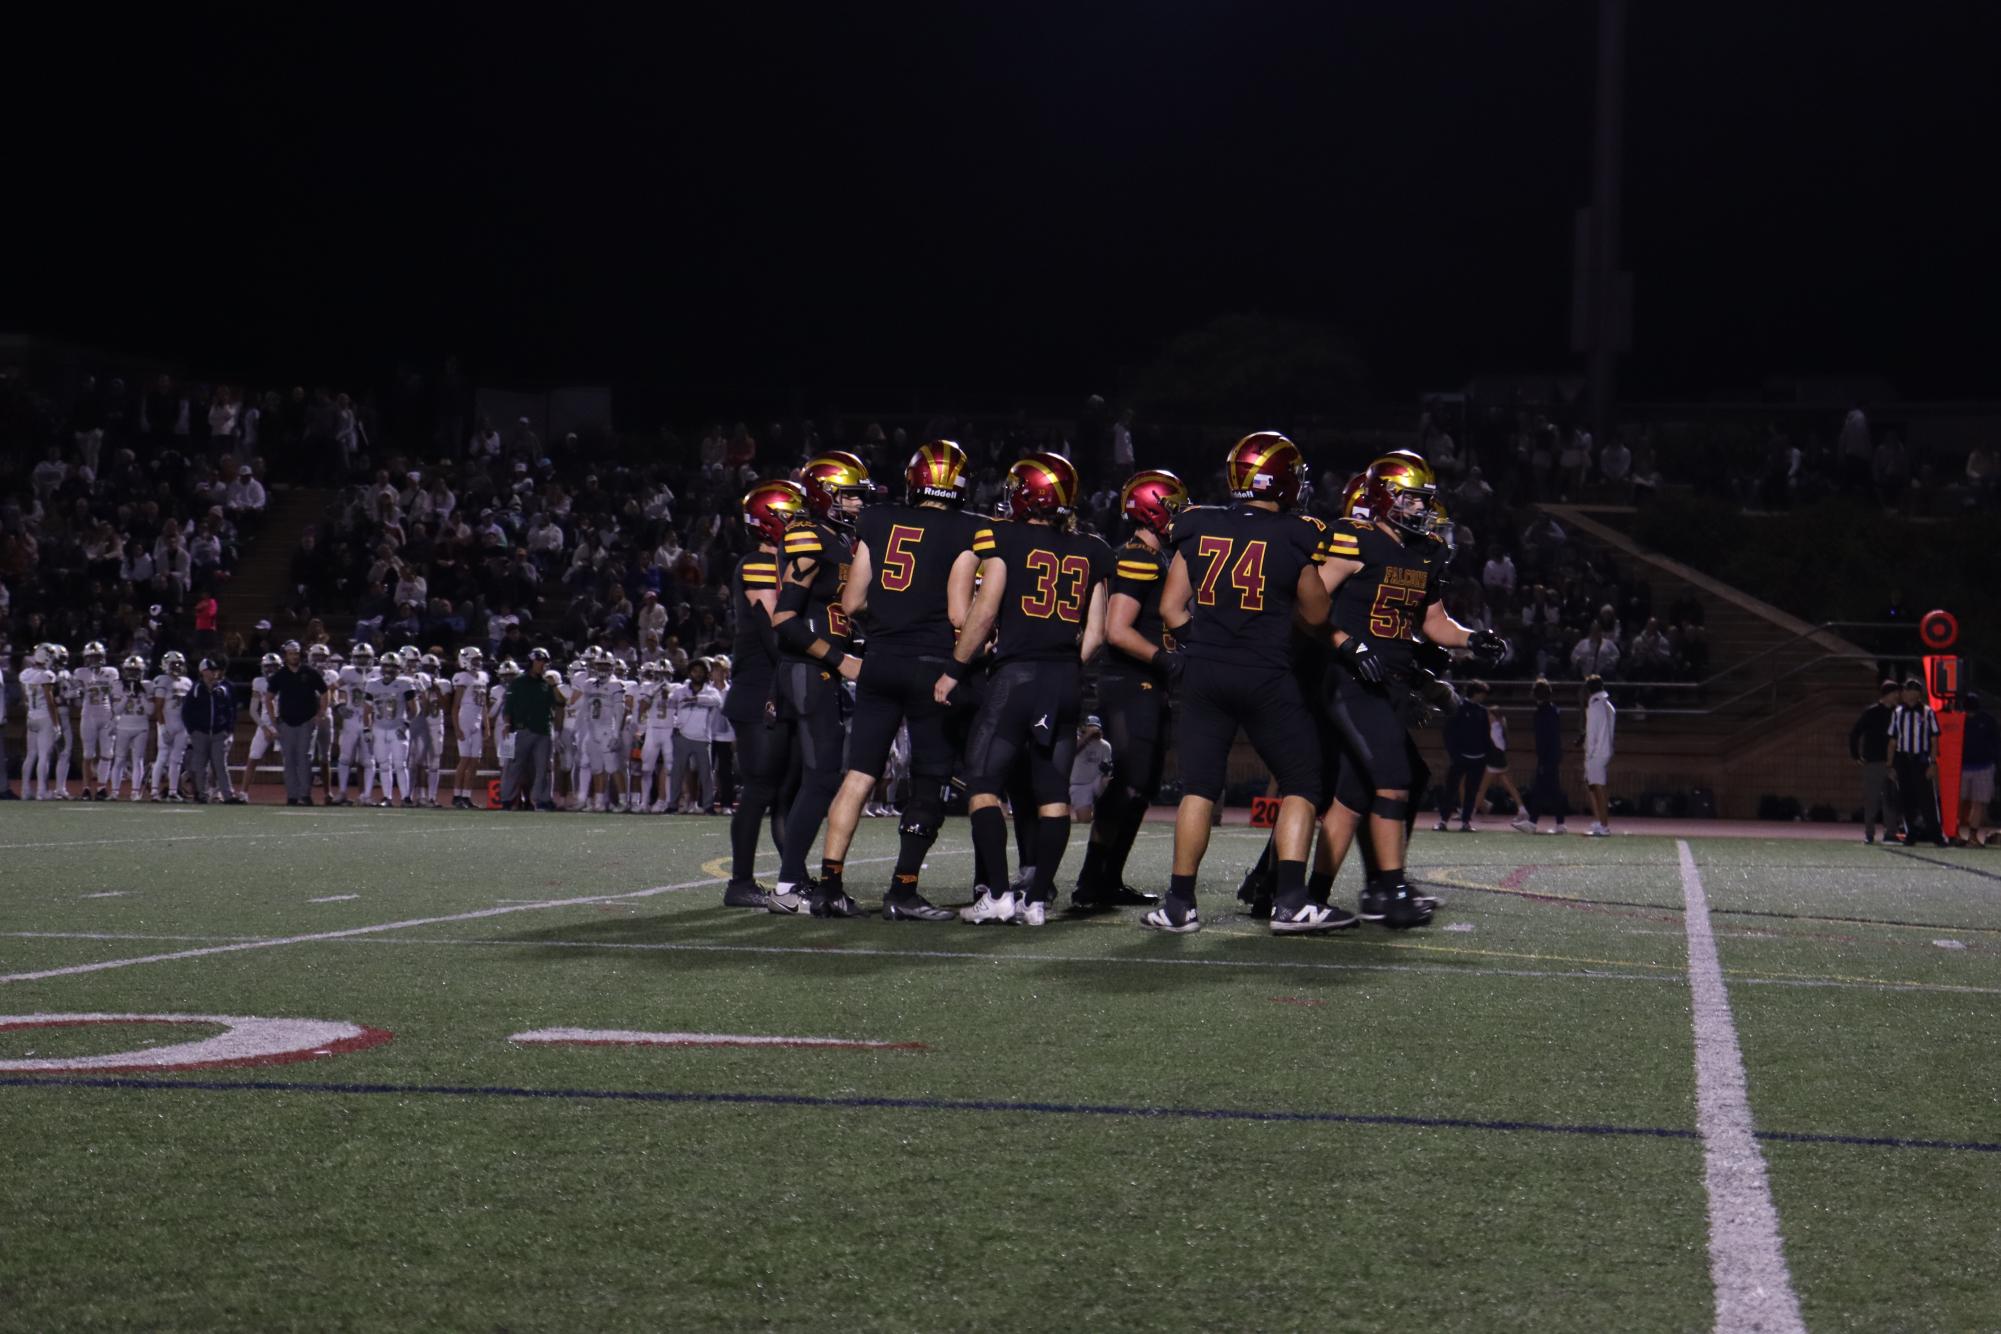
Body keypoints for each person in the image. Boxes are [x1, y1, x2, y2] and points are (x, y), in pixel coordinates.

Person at [1132, 434, 1334, 934]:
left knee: (1199, 788)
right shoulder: (1296, 532)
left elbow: (1170, 609)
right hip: (1266, 672)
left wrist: (1208, 645)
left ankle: (1180, 904)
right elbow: (1317, 613)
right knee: (1302, 783)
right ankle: (1290, 901)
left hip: (1205, 671)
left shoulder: (1197, 523)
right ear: (1282, 480)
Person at [1315, 454, 1508, 925]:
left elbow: (1434, 622)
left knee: (1353, 795)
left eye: (1425, 501)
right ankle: (1390, 889)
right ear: (1384, 497)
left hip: (1390, 682)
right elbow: (1309, 606)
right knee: (1395, 779)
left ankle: (1315, 894)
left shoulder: (1424, 553)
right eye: (1413, 499)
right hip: (1350, 680)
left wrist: (1472, 638)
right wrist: (1346, 645)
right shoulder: (1353, 539)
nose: (1422, 509)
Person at [935, 451, 1112, 927]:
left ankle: (996, 895)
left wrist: (955, 667)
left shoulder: (1004, 536)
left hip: (1017, 678)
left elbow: (986, 608)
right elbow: (1096, 634)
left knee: (983, 784)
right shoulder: (1094, 548)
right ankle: (1035, 900)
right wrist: (1061, 663)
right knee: (1052, 791)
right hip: (1066, 681)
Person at [814, 441, 981, 922]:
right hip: (931, 664)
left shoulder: (878, 518)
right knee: (928, 783)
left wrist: (889, 614)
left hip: (880, 660)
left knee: (859, 775)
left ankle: (830, 887)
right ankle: (903, 891)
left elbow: (850, 603)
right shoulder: (969, 528)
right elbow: (956, 611)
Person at [764, 452, 871, 917]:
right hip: (810, 668)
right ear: (825, 493)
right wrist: (840, 659)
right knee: (821, 776)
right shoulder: (809, 535)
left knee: (818, 777)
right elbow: (784, 618)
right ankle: (788, 885)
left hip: (819, 668)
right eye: (848, 494)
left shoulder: (836, 539)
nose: (855, 503)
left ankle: (793, 879)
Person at [1073, 470, 1186, 909]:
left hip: (1146, 684)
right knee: (1128, 784)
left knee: (1142, 786)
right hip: (1128, 682)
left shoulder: (1155, 557)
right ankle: (1088, 882)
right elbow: (1117, 629)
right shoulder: (1137, 556)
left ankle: (1108, 878)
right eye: (1172, 506)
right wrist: (1166, 659)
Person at [719, 482, 797, 903]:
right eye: (792, 514)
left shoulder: (780, 563)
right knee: (761, 789)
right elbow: (774, 635)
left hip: (774, 685)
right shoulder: (757, 563)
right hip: (757, 689)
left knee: (784, 790)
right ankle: (740, 883)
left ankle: (792, 879)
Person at [270, 640, 330, 806]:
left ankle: (305, 794)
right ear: (285, 656)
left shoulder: (309, 672)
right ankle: (292, 795)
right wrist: (273, 717)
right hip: (286, 722)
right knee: (288, 759)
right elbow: (268, 697)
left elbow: (325, 692)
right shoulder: (280, 674)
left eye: (296, 653)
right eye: (291, 653)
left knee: (304, 758)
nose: (294, 656)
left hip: (306, 721)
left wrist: (321, 713)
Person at [502, 648, 561, 810]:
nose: (543, 665)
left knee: (544, 768)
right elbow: (509, 706)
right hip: (522, 729)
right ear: (532, 662)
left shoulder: (547, 683)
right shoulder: (519, 682)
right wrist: (507, 724)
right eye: (540, 661)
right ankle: (507, 800)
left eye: (545, 662)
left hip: (544, 730)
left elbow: (561, 703)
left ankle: (541, 800)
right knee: (514, 767)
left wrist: (554, 686)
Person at [1889, 677, 1945, 846]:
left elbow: (1935, 739)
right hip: (1903, 759)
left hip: (1921, 759)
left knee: (1927, 799)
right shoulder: (1897, 713)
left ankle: (1936, 835)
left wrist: (1933, 763)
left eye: (1907, 690)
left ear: (1916, 693)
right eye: (1904, 690)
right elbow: (1892, 741)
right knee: (1906, 798)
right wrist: (1890, 765)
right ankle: (1911, 833)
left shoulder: (1927, 712)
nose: (1904, 693)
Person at [361, 649, 418, 808]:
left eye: (393, 667)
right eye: (387, 666)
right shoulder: (372, 684)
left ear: (399, 668)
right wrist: (367, 729)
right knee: (384, 765)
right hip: (379, 728)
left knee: (400, 765)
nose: (389, 670)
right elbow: (367, 710)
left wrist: (406, 724)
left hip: (398, 728)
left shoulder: (405, 683)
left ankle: (406, 797)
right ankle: (387, 797)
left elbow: (414, 708)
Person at [183, 658, 244, 804]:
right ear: (203, 672)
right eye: (211, 670)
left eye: (215, 670)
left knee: (220, 765)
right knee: (200, 766)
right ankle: (201, 794)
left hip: (218, 733)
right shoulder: (196, 689)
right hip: (200, 732)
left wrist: (228, 729)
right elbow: (186, 711)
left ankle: (228, 795)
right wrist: (192, 730)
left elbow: (230, 710)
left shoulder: (222, 689)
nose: (214, 673)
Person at [668, 657, 724, 812]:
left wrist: (695, 699)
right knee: (677, 773)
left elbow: (717, 701)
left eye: (701, 672)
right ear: (690, 672)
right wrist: (675, 724)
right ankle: (672, 804)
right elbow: (669, 707)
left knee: (706, 775)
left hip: (702, 738)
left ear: (706, 674)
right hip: (683, 736)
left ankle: (708, 805)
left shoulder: (711, 691)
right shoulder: (680, 690)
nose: (697, 674)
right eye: (695, 671)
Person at [1848, 679, 1900, 844]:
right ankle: (1869, 833)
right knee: (1872, 798)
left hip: (1891, 762)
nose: (1897, 696)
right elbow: (1855, 733)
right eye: (1895, 693)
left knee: (1890, 799)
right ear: (1888, 694)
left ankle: (1890, 833)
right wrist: (1856, 755)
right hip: (1874, 761)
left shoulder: (1897, 713)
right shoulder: (1871, 712)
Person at [1438, 681, 1490, 832]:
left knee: (1471, 791)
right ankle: (1443, 821)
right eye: (1482, 694)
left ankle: (1466, 822)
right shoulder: (1458, 709)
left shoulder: (1482, 711)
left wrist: (1486, 754)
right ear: (1476, 693)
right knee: (1451, 789)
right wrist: (1454, 754)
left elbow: (1486, 735)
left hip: (1478, 758)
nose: (1483, 697)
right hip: (1460, 757)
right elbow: (1448, 733)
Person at [108, 654, 154, 800]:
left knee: (138, 759)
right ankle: (115, 792)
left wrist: (141, 696)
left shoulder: (147, 685)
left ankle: (135, 792)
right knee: (119, 759)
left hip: (141, 726)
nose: (133, 674)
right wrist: (127, 697)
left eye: (136, 671)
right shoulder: (118, 685)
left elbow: (151, 711)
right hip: (123, 726)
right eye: (130, 671)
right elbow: (116, 710)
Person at [150, 650, 194, 801]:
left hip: (182, 725)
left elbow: (189, 708)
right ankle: (154, 792)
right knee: (162, 757)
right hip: (167, 723)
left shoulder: (187, 682)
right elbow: (158, 707)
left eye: (178, 664)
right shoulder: (162, 680)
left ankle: (173, 791)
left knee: (177, 760)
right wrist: (162, 727)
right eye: (173, 663)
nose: (176, 666)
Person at [451, 647, 491, 809]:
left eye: (479, 659)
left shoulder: (483, 677)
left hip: (477, 719)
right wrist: (456, 728)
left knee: (475, 761)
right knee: (465, 759)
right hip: (465, 719)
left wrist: (487, 726)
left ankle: (466, 796)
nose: (478, 662)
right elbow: (455, 706)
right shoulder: (462, 677)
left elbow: (484, 705)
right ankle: (456, 795)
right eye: (474, 659)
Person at [20, 644, 60, 800]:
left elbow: (24, 699)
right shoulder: (47, 675)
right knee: (44, 756)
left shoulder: (25, 674)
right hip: (44, 717)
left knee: (30, 756)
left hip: (31, 715)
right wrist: (56, 725)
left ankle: (25, 790)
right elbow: (50, 702)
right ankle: (41, 791)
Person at [240, 652, 284, 792]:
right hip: (265, 723)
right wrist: (264, 728)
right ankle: (243, 792)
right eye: (268, 667)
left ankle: (293, 795)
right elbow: (253, 710)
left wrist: (279, 728)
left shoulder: (287, 680)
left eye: (274, 667)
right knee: (253, 758)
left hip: (283, 723)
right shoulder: (259, 682)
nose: (270, 670)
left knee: (289, 762)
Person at [1958, 693, 1997, 848]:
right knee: (1960, 803)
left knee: (1978, 802)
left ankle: (1972, 836)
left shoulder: (1987, 720)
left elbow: (1995, 742)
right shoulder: (1959, 720)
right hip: (1962, 766)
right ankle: (1957, 833)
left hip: (1983, 765)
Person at [1582, 674, 1616, 836]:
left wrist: (1588, 753)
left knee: (1597, 787)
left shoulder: (1595, 706)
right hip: (1604, 750)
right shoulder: (1607, 705)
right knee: (1592, 785)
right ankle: (1599, 821)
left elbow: (1592, 733)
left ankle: (1603, 824)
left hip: (1596, 752)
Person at [1069, 716, 1113, 822]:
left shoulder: (1105, 745)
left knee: (1109, 781)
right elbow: (1071, 752)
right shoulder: (1076, 741)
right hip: (1080, 784)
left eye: (1096, 728)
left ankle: (1105, 809)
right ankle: (1091, 811)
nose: (1094, 731)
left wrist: (1107, 769)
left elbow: (1108, 768)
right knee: (1085, 820)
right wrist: (1087, 736)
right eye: (1090, 727)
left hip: (1096, 781)